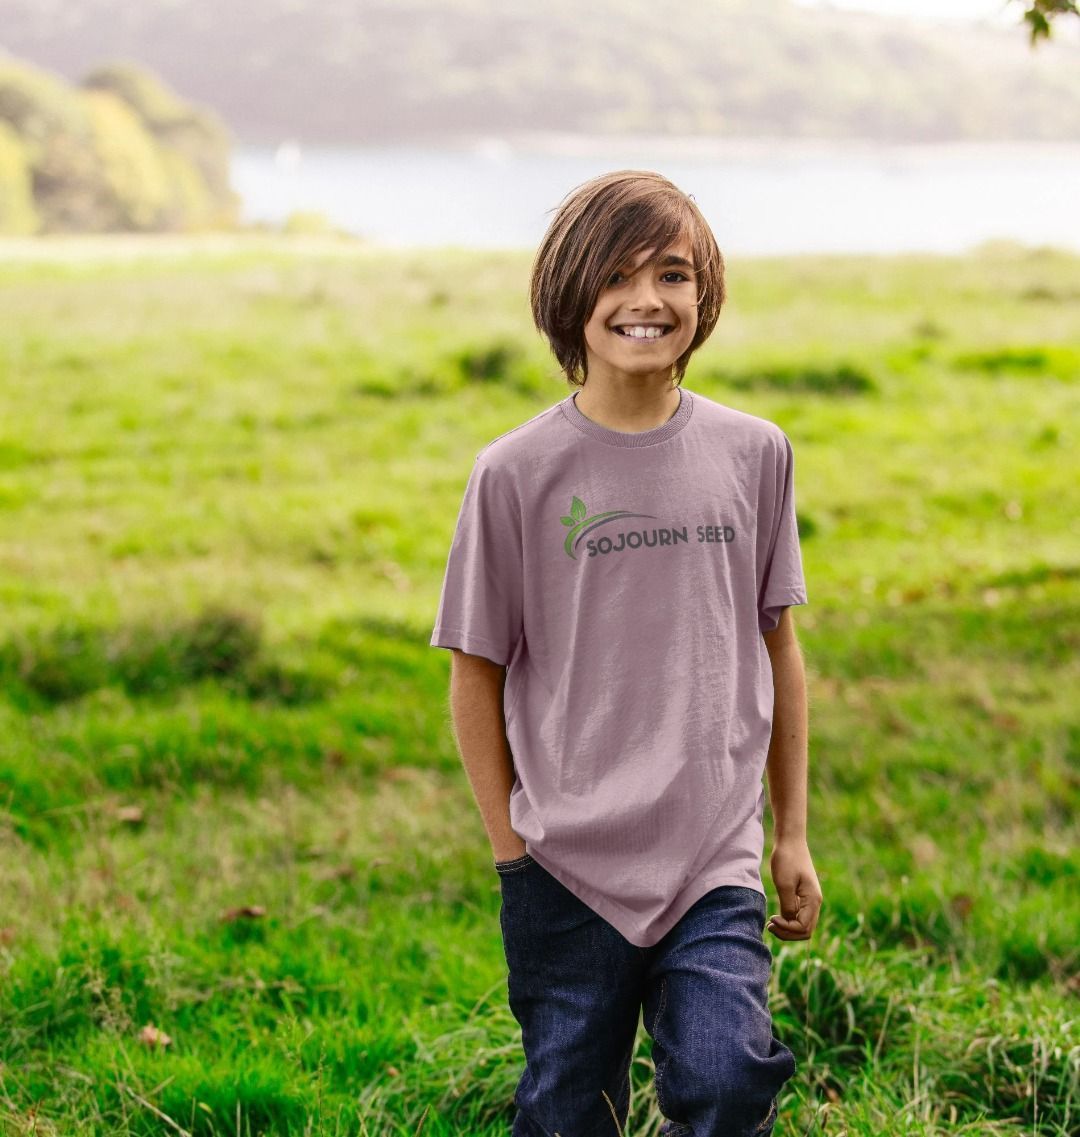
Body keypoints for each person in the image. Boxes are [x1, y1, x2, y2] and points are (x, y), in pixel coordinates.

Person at [429, 169, 823, 1136]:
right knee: (567, 1113)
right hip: (565, 865)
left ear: (706, 295)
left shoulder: (754, 452)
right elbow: (474, 670)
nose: (648, 299)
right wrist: (510, 849)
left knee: (730, 1084)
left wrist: (791, 832)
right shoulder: (515, 473)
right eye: (618, 273)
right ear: (570, 291)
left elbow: (780, 645)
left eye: (675, 275)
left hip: (712, 860)